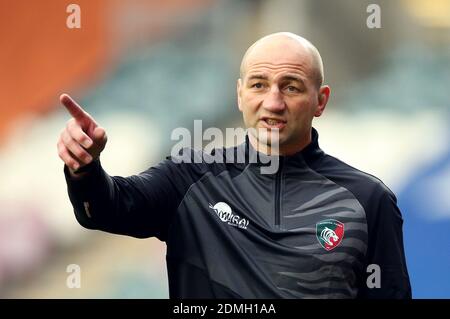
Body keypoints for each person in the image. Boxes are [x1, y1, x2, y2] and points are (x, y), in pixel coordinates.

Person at [58, 32, 411, 298]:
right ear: (240, 94)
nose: (273, 102)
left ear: (320, 101)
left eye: (291, 88)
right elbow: (105, 209)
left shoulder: (368, 200)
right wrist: (85, 169)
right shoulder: (190, 177)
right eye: (259, 85)